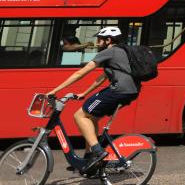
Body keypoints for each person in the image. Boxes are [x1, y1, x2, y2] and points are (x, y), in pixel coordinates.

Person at [46, 27, 140, 175]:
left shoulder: (108, 52)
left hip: (119, 90)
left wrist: (54, 90)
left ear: (108, 40)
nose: (97, 42)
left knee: (80, 115)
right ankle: (90, 158)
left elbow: (81, 72)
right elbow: (102, 77)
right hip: (130, 91)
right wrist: (85, 92)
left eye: (100, 39)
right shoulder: (121, 51)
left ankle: (97, 152)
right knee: (92, 117)